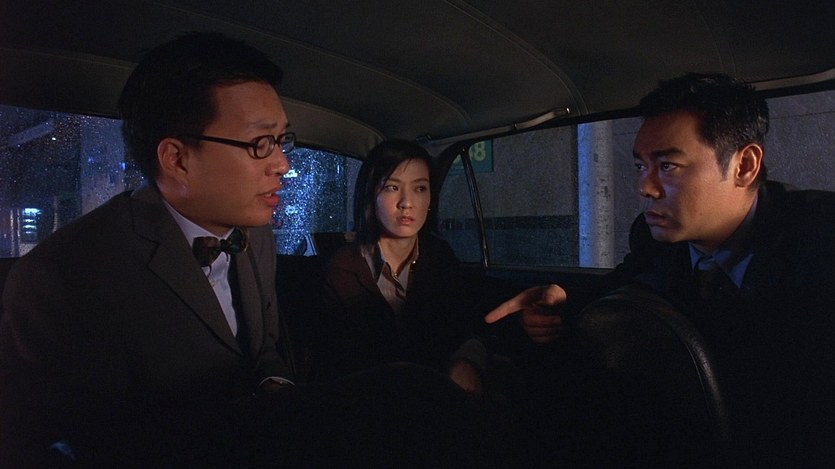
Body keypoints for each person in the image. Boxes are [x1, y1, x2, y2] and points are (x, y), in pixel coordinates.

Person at [486, 73, 835, 466]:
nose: (645, 188)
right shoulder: (656, 238)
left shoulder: (820, 237)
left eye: (668, 166)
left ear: (744, 166)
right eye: (641, 165)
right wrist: (562, 300)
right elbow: (623, 283)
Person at [0, 32, 296, 466]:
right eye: (260, 144)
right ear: (177, 159)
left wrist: (277, 388)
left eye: (282, 140)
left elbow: (265, 346)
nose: (283, 164)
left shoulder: (257, 235)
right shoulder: (64, 275)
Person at [318, 139, 488, 393]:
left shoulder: (440, 258)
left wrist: (466, 361)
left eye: (420, 188)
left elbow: (467, 328)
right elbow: (335, 362)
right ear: (371, 194)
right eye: (392, 187)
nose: (407, 202)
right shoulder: (342, 270)